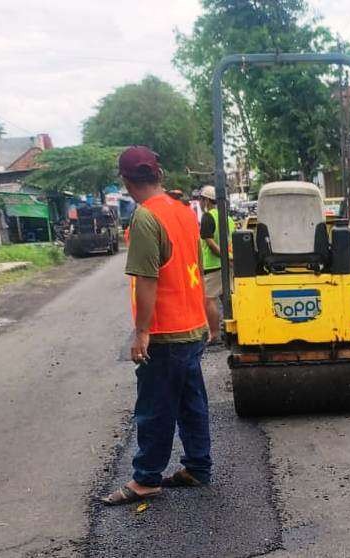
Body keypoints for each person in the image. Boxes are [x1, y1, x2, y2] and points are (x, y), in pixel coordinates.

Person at [101, 146, 212, 505]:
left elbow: (147, 280)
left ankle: (146, 479)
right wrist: (207, 316)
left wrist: (142, 332)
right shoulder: (182, 211)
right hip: (192, 326)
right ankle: (197, 466)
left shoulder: (146, 218)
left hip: (166, 333)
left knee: (155, 407)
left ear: (126, 181)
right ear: (159, 175)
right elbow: (194, 267)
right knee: (191, 402)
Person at [198, 185, 236, 342]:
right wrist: (229, 258)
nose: (200, 203)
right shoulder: (228, 218)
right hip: (228, 265)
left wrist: (223, 256)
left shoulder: (208, 217)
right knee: (227, 298)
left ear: (206, 200)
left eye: (201, 199)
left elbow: (210, 242)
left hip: (213, 265)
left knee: (209, 299)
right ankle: (234, 329)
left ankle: (214, 334)